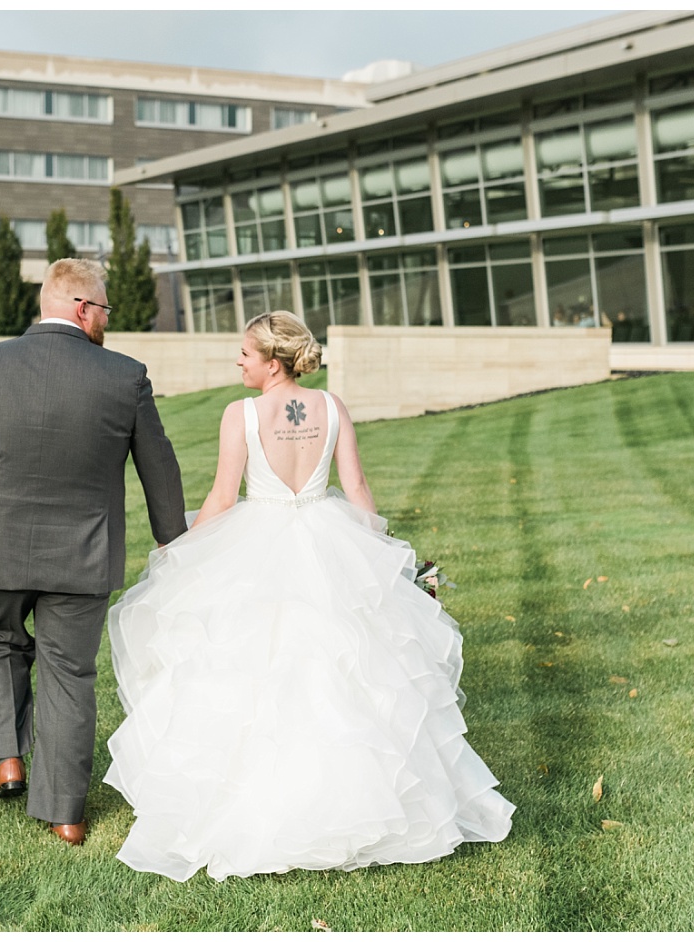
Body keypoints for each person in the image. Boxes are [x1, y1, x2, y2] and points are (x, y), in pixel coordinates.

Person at [104, 311, 514, 882]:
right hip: (331, 540)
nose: (239, 361)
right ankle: (358, 806)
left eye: (245, 353)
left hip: (260, 542)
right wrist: (385, 559)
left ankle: (260, 809)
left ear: (273, 362)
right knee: (347, 675)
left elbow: (223, 498)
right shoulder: (332, 407)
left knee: (254, 673)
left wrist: (179, 549)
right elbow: (359, 488)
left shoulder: (240, 415)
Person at [0, 258, 187, 846]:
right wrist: (171, 539)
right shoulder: (125, 376)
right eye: (104, 309)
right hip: (82, 557)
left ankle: (8, 758)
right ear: (82, 307)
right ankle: (65, 815)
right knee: (69, 674)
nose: (108, 319)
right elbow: (160, 465)